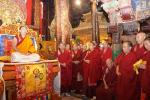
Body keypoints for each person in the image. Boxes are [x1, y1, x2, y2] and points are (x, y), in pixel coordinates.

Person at [132, 32, 146, 100]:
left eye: (138, 37)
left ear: (144, 37)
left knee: (143, 88)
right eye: (136, 37)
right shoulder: (135, 46)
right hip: (135, 71)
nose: (136, 39)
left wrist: (141, 65)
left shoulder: (147, 47)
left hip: (144, 72)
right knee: (135, 87)